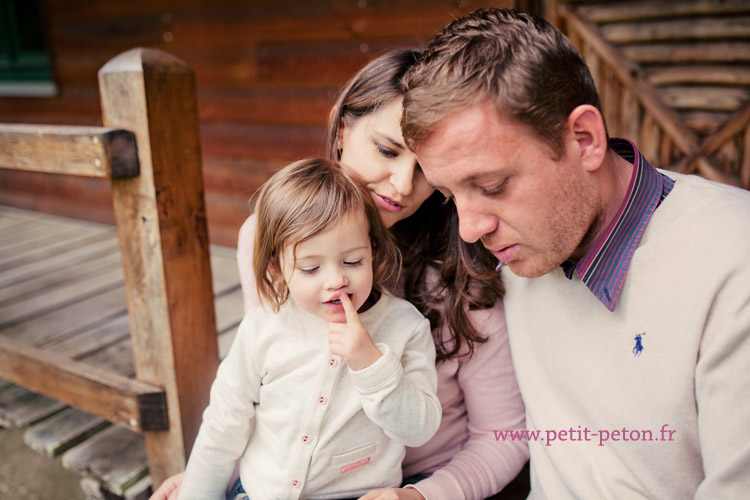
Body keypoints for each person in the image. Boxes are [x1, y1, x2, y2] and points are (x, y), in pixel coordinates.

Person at [401, 7, 750, 500]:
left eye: (493, 185)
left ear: (583, 139)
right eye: (449, 195)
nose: (471, 228)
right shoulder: (513, 246)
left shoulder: (733, 261)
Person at [151, 49, 528, 500]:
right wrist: (211, 479)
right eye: (387, 150)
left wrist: (423, 497)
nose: (403, 184)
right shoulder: (266, 241)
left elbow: (503, 435)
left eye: (426, 167)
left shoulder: (464, 274)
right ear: (342, 128)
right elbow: (268, 389)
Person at [178, 157, 442, 500]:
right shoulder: (264, 327)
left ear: (373, 251)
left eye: (352, 261)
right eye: (310, 268)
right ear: (277, 267)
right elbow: (223, 424)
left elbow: (419, 429)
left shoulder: (405, 328)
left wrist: (372, 364)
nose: (336, 280)